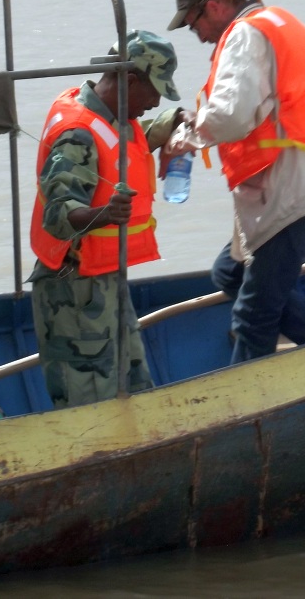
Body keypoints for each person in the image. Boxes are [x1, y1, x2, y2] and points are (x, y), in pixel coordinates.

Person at [166, 0, 305, 364]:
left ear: (213, 6)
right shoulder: (275, 21)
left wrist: (185, 138)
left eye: (193, 22)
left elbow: (232, 115)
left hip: (296, 186)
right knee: (230, 273)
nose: (196, 34)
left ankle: (249, 406)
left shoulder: (244, 34)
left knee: (254, 314)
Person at [29, 29, 183, 407]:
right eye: (155, 90)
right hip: (74, 291)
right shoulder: (77, 133)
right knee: (90, 399)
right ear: (130, 79)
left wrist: (171, 121)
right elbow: (58, 214)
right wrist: (106, 214)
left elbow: (122, 145)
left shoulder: (109, 113)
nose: (155, 100)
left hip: (105, 278)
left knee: (131, 381)